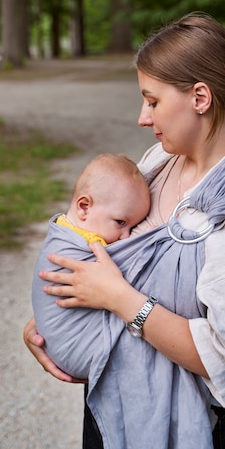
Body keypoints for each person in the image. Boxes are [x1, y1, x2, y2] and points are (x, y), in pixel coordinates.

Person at [24, 12, 225, 449]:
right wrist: (55, 315)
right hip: (114, 403)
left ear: (200, 98)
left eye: (151, 101)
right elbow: (104, 256)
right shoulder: (158, 163)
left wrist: (117, 299)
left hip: (181, 424)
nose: (142, 117)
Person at [31, 153, 151, 379]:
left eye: (133, 226)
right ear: (84, 207)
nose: (126, 237)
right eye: (121, 223)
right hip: (82, 351)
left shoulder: (65, 228)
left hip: (59, 345)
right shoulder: (87, 246)